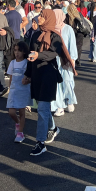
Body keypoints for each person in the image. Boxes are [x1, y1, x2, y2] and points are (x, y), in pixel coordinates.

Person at [26, 10, 67, 156]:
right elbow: (31, 54)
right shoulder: (36, 34)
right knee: (44, 108)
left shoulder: (55, 36)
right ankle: (53, 129)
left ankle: (40, 142)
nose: (39, 17)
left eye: (42, 16)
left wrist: (39, 55)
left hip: (48, 75)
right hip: (37, 74)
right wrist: (27, 74)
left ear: (49, 18)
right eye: (40, 15)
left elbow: (53, 53)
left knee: (42, 108)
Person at [52, 9, 78, 116]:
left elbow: (72, 45)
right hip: (55, 59)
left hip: (66, 59)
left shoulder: (68, 29)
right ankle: (60, 106)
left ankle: (69, 100)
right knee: (57, 83)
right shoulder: (51, 29)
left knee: (67, 81)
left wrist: (72, 59)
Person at [7, 41, 33, 143]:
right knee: (11, 112)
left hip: (23, 91)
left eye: (19, 51)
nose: (16, 53)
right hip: (14, 90)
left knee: (22, 112)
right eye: (15, 50)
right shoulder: (12, 63)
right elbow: (11, 77)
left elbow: (31, 77)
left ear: (24, 52)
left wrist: (28, 81)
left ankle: (20, 133)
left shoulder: (27, 63)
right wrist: (10, 89)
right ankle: (17, 123)